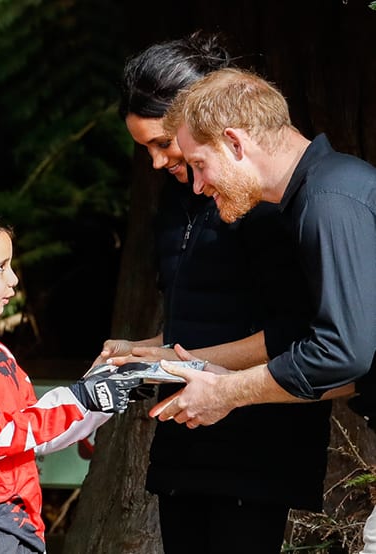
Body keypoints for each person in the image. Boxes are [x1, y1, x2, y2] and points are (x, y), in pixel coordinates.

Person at [93, 32, 334, 554]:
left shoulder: (262, 201)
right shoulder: (175, 202)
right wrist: (143, 351)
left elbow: (294, 333)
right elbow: (204, 317)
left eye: (164, 143)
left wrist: (174, 363)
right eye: (146, 150)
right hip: (186, 436)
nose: (157, 163)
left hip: (254, 442)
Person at [148, 65, 376, 552]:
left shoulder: (328, 199)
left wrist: (226, 393)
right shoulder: (319, 194)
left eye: (200, 164)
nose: (197, 186)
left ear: (234, 142)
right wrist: (204, 370)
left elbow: (343, 352)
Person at [0, 209, 145, 554]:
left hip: (18, 518)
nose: (14, 280)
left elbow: (35, 432)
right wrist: (83, 397)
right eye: (0, 267)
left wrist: (104, 390)